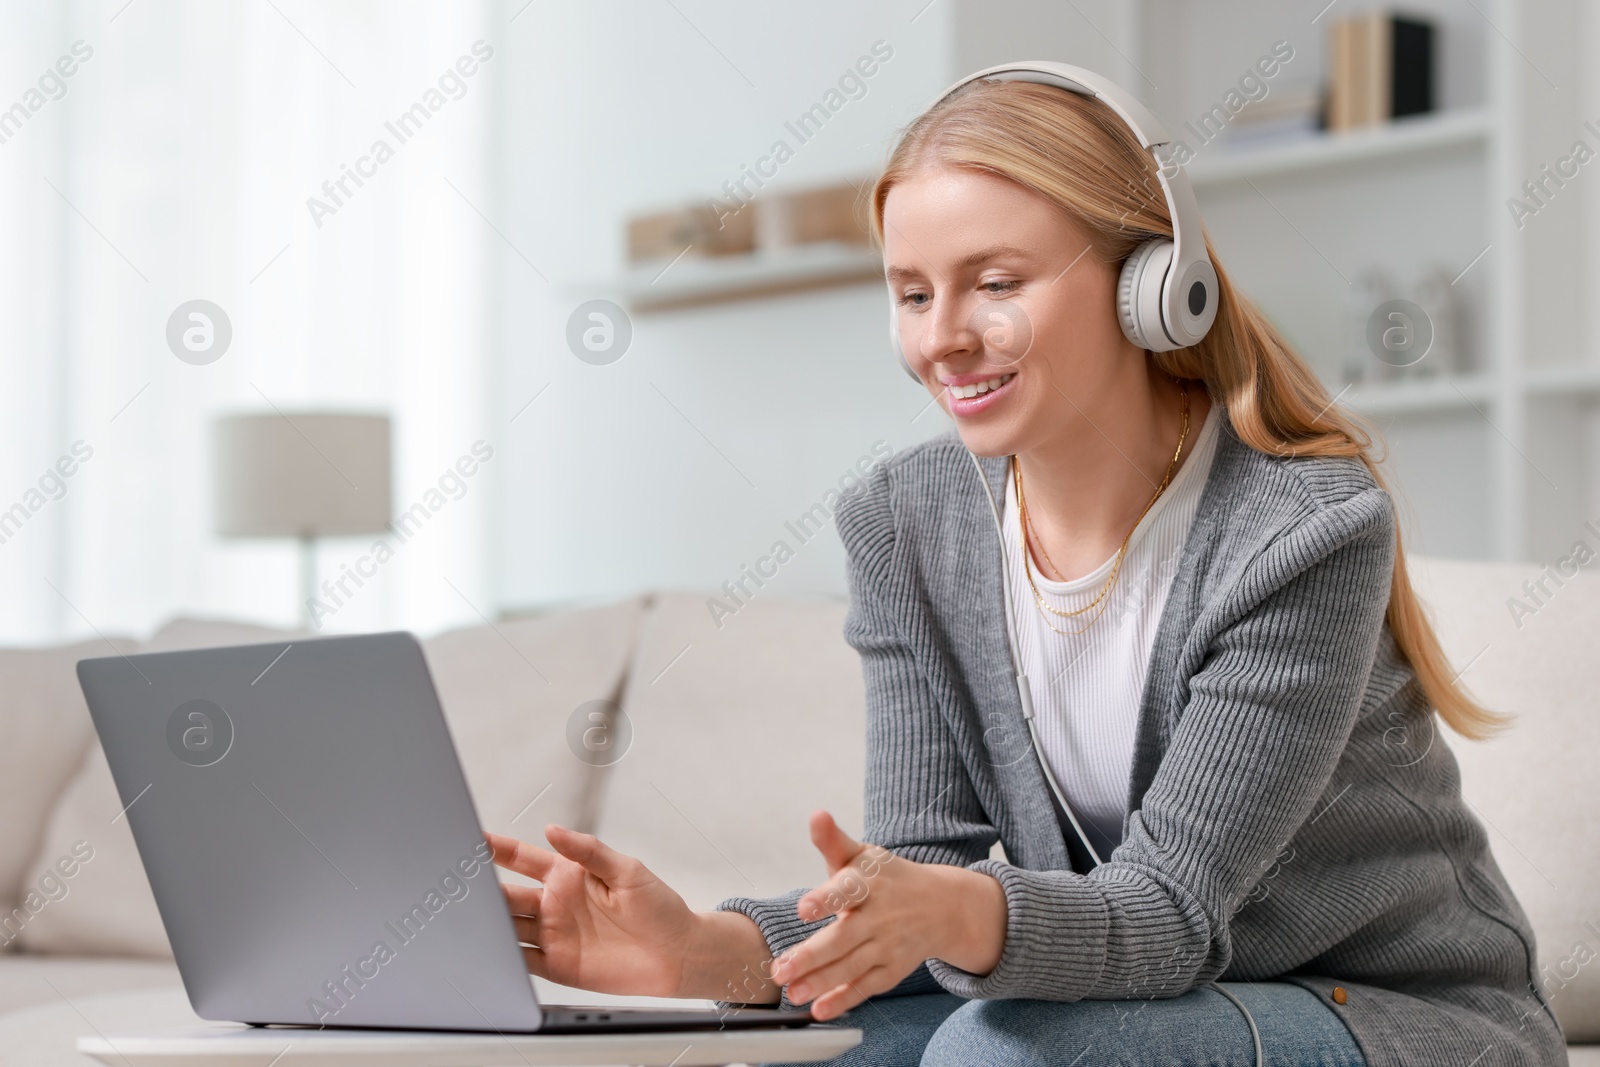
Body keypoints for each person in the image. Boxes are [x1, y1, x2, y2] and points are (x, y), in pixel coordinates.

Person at [486, 68, 1569, 1067]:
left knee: (993, 1054)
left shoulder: (1301, 532)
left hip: (1379, 1008)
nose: (943, 338)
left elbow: (1169, 915)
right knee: (782, 1051)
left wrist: (956, 907)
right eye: (912, 294)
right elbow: (912, 874)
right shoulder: (904, 519)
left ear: (1153, 284)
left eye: (994, 281)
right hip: (1142, 992)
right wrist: (699, 952)